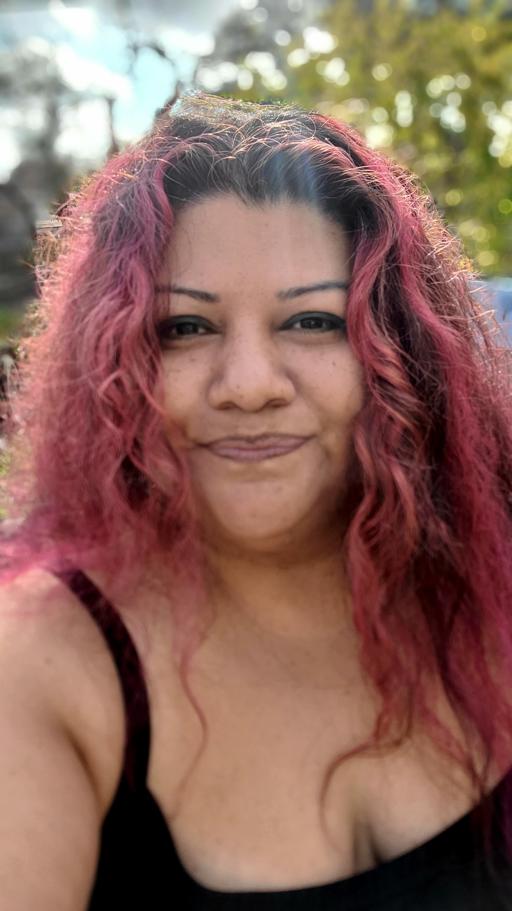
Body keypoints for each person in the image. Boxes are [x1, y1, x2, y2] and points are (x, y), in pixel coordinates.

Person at [0, 90, 512, 911]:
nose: (248, 385)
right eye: (185, 328)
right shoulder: (44, 662)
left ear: (404, 349)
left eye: (311, 321)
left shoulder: (491, 583)